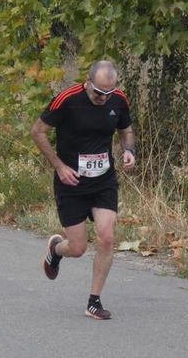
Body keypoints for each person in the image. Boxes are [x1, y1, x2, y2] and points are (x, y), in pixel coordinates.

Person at [31, 60, 135, 320]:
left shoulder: (118, 99)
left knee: (107, 237)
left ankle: (94, 302)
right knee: (77, 249)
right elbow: (38, 131)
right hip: (72, 183)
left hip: (103, 181)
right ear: (87, 83)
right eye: (98, 92)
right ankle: (56, 250)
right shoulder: (67, 99)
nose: (103, 98)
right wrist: (59, 166)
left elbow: (126, 130)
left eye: (108, 93)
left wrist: (129, 150)